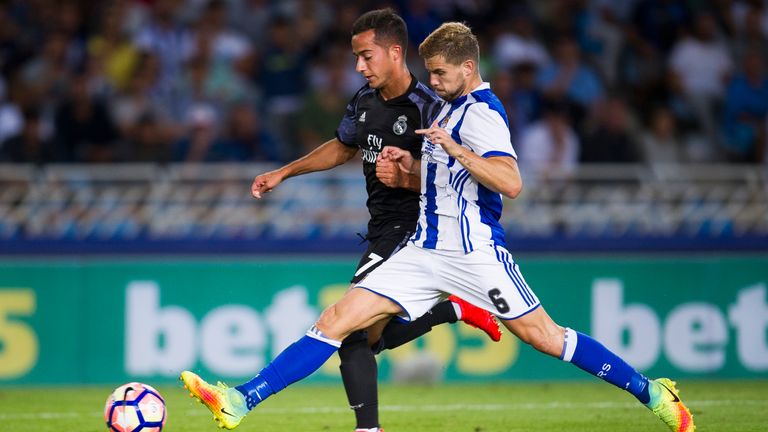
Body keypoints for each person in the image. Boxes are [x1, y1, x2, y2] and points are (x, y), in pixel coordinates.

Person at [181, 22, 695, 432]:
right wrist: (410, 173)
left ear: (469, 67)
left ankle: (652, 393)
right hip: (423, 249)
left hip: (475, 255)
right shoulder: (447, 110)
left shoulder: (483, 115)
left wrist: (456, 150)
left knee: (547, 338)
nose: (435, 80)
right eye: (431, 71)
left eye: (442, 72)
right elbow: (440, 182)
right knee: (337, 318)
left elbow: (511, 182)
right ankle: (239, 402)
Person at [195, 9, 500, 432]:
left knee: (346, 329)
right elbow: (342, 147)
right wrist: (284, 172)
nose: (359, 66)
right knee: (369, 335)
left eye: (367, 56)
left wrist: (409, 178)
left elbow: (458, 184)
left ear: (396, 53)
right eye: (356, 57)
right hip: (381, 229)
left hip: (413, 232)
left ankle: (245, 399)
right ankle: (454, 309)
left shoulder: (432, 109)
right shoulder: (364, 100)